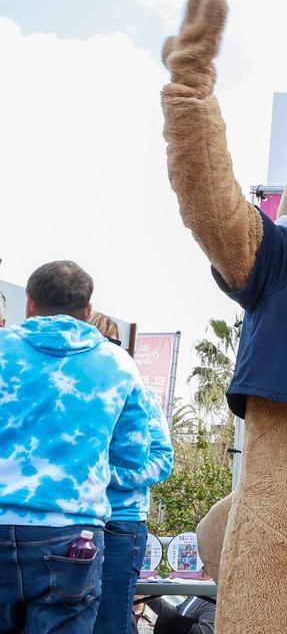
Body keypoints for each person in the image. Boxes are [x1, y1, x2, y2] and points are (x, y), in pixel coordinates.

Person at [0, 261, 154, 634]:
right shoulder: (118, 365)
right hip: (72, 533)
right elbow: (135, 455)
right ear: (87, 311)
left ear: (30, 303)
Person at [88, 315, 175, 634]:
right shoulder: (72, 392)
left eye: (109, 344)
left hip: (119, 522)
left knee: (111, 620)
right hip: (73, 521)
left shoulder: (138, 395)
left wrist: (101, 474)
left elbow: (162, 460)